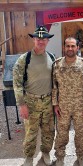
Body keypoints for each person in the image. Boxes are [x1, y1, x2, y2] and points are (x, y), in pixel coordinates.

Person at [13, 25, 55, 166]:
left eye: (44, 39)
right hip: (31, 102)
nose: (41, 41)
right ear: (34, 40)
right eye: (38, 38)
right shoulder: (24, 59)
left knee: (48, 131)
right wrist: (22, 105)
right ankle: (29, 157)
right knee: (31, 132)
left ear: (48, 41)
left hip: (48, 101)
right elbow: (17, 84)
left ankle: (46, 153)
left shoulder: (52, 57)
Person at [52, 37, 83, 166]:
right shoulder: (57, 64)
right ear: (64, 47)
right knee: (61, 134)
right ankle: (60, 157)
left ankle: (81, 157)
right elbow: (54, 86)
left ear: (77, 47)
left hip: (80, 107)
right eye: (67, 46)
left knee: (81, 134)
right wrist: (55, 104)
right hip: (63, 107)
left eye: (73, 46)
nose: (70, 48)